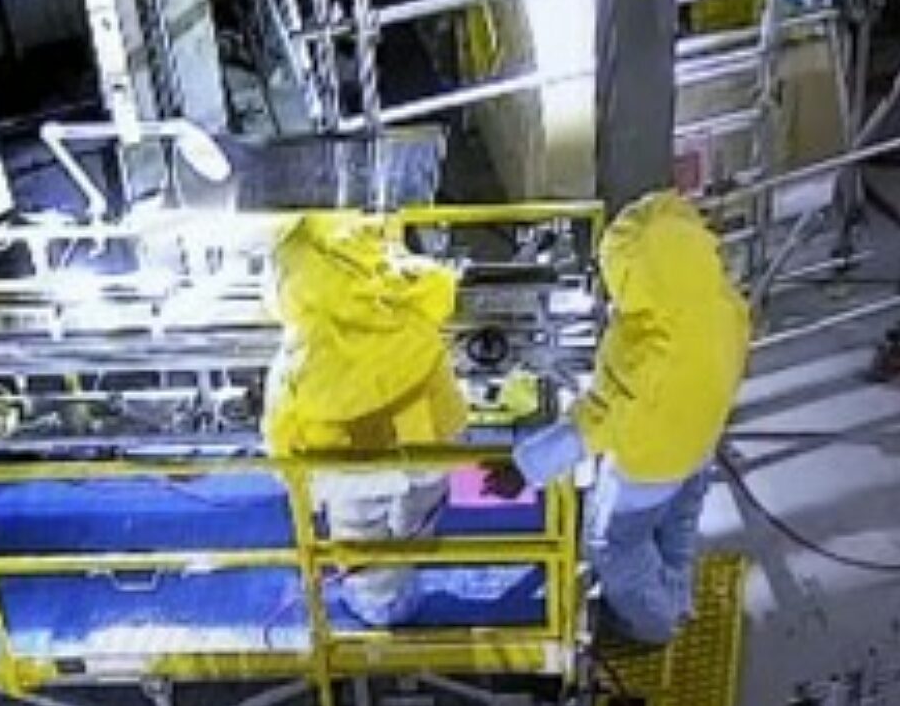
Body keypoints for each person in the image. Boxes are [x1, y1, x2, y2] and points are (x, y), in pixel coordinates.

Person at [509, 190, 749, 644]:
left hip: (650, 465)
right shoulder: (721, 302)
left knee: (615, 547)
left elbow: (603, 418)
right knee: (676, 528)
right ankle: (676, 594)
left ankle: (654, 623)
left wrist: (528, 466)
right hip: (699, 443)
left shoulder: (646, 348)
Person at [262, 214, 467, 627]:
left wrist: (292, 478)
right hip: (428, 444)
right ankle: (413, 555)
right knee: (421, 513)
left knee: (362, 541)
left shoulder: (300, 356)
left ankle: (382, 607)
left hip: (350, 467)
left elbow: (281, 434)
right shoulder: (409, 297)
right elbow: (439, 292)